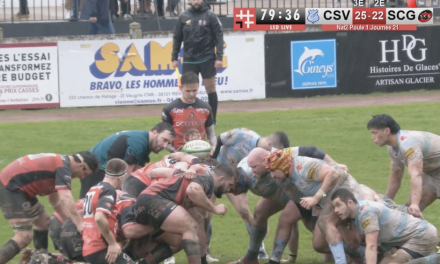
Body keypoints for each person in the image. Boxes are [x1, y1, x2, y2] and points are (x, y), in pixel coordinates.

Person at [229, 146, 346, 264]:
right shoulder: (250, 169)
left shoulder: (280, 156)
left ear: (265, 159)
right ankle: (254, 258)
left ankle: (353, 248)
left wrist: (335, 164)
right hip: (293, 194)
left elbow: (311, 151)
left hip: (307, 193)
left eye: (254, 167)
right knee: (263, 212)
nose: (252, 170)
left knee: (317, 238)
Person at [264, 149, 363, 264]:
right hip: (329, 199)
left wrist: (316, 198)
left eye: (273, 171)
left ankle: (345, 260)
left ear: (283, 166)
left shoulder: (302, 167)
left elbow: (333, 174)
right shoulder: (289, 177)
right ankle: (360, 252)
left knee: (326, 222)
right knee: (319, 244)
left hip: (345, 191)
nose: (272, 175)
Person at [0, 152, 98, 264]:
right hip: (10, 187)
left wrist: (66, 220)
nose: (82, 177)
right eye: (84, 173)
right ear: (81, 166)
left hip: (18, 187)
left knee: (44, 222)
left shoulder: (61, 163)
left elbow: (54, 199)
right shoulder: (63, 169)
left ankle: (39, 259)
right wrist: (79, 224)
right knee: (23, 236)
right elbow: (65, 198)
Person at [132, 163, 238, 264]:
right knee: (190, 227)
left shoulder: (193, 176)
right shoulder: (207, 178)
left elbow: (154, 173)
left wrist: (203, 258)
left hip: (144, 204)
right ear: (221, 179)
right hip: (153, 200)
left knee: (181, 240)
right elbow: (193, 190)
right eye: (230, 185)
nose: (228, 189)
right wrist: (214, 209)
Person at [210, 128, 290, 260]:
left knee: (244, 210)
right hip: (219, 175)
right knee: (206, 213)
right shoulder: (242, 135)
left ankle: (259, 250)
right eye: (276, 150)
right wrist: (214, 162)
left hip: (238, 179)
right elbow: (218, 140)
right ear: (270, 145)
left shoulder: (265, 161)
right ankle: (205, 252)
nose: (276, 154)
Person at [331, 188, 439, 264]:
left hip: (422, 235)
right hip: (407, 239)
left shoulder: (366, 213)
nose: (336, 210)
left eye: (338, 205)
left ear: (350, 203)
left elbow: (371, 246)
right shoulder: (358, 214)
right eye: (334, 206)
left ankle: (436, 259)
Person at [367, 114, 440, 218]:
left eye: (375, 133)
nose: (372, 137)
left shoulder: (408, 144)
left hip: (433, 172)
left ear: (387, 131)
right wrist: (385, 202)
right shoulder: (392, 148)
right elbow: (396, 175)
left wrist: (415, 204)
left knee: (413, 206)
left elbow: (416, 174)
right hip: (432, 173)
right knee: (410, 212)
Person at [80, 122, 176, 198]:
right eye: (164, 140)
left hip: (103, 166)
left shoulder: (145, 143)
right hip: (95, 167)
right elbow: (127, 174)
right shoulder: (139, 141)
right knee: (90, 202)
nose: (165, 146)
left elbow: (138, 173)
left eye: (168, 143)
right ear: (155, 133)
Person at [82, 158, 145, 264]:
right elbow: (99, 218)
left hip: (89, 246)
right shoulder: (108, 190)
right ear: (121, 177)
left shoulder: (93, 189)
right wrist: (112, 243)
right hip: (101, 247)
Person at [171, 0, 224, 124]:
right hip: (189, 59)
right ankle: (188, 117)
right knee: (188, 89)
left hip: (207, 57)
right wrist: (174, 57)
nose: (196, 1)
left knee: (210, 88)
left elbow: (219, 36)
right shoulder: (183, 16)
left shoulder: (210, 15)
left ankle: (212, 120)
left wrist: (219, 57)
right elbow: (177, 37)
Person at [161, 72, 217, 153]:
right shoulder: (170, 109)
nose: (191, 94)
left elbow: (211, 134)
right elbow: (163, 137)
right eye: (188, 91)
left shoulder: (206, 108)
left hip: (201, 153)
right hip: (179, 156)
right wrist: (175, 152)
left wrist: (213, 148)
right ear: (180, 88)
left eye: (195, 90)